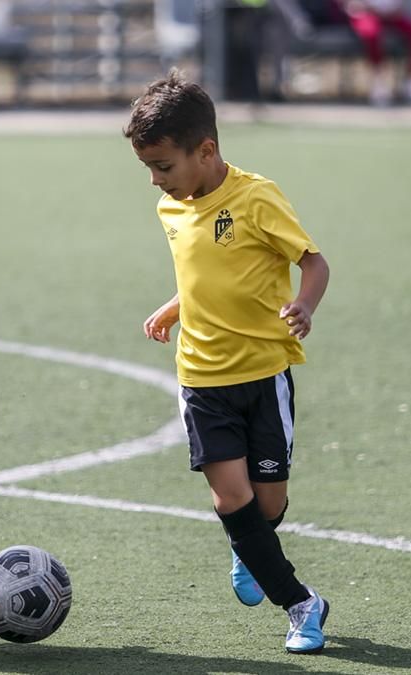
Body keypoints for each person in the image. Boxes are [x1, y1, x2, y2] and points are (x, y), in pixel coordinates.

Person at [124, 71, 331, 654]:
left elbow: (314, 264)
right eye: (149, 168)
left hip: (264, 375)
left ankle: (251, 549)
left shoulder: (256, 197)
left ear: (206, 150)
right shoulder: (171, 207)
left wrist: (305, 306)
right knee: (230, 499)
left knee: (268, 504)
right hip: (203, 379)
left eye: (164, 166)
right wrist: (174, 307)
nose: (156, 180)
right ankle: (300, 602)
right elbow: (205, 276)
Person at [339, 0, 411, 105]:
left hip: (392, 15)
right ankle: (378, 83)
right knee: (371, 35)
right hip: (365, 14)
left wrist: (392, 9)